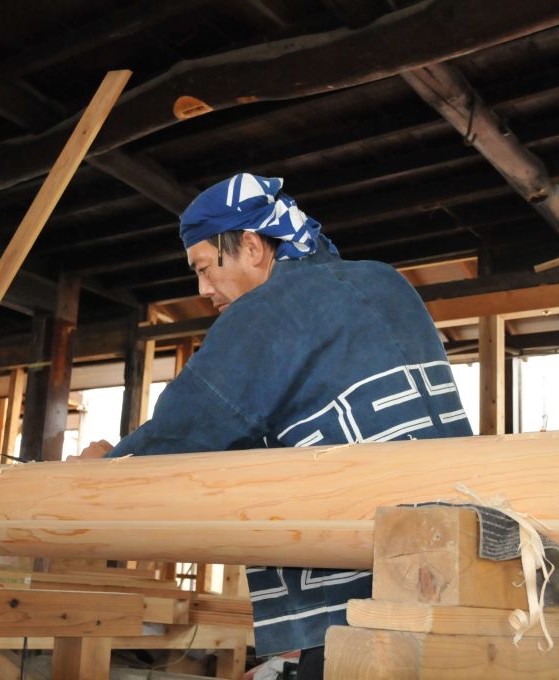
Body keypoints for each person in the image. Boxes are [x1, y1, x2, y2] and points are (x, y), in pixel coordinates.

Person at [79, 172, 472, 678]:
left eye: (204, 267)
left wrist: (102, 469)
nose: (202, 289)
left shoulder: (264, 314)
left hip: (364, 610)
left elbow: (184, 432)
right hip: (460, 575)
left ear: (250, 246)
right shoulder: (386, 280)